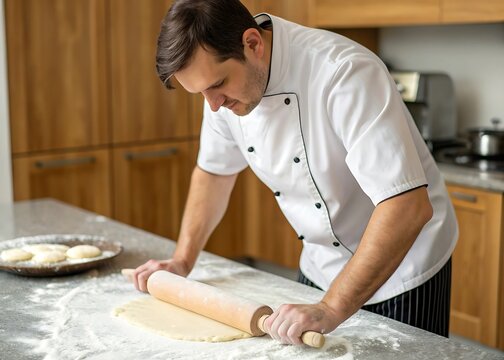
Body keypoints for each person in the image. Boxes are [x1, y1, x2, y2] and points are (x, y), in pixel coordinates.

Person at [132, 0, 458, 344]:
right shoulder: (219, 93)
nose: (213, 105)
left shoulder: (344, 72)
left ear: (253, 44)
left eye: (218, 85)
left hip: (404, 264)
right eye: (200, 94)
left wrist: (332, 307)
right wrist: (183, 261)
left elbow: (406, 206)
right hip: (321, 264)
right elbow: (214, 172)